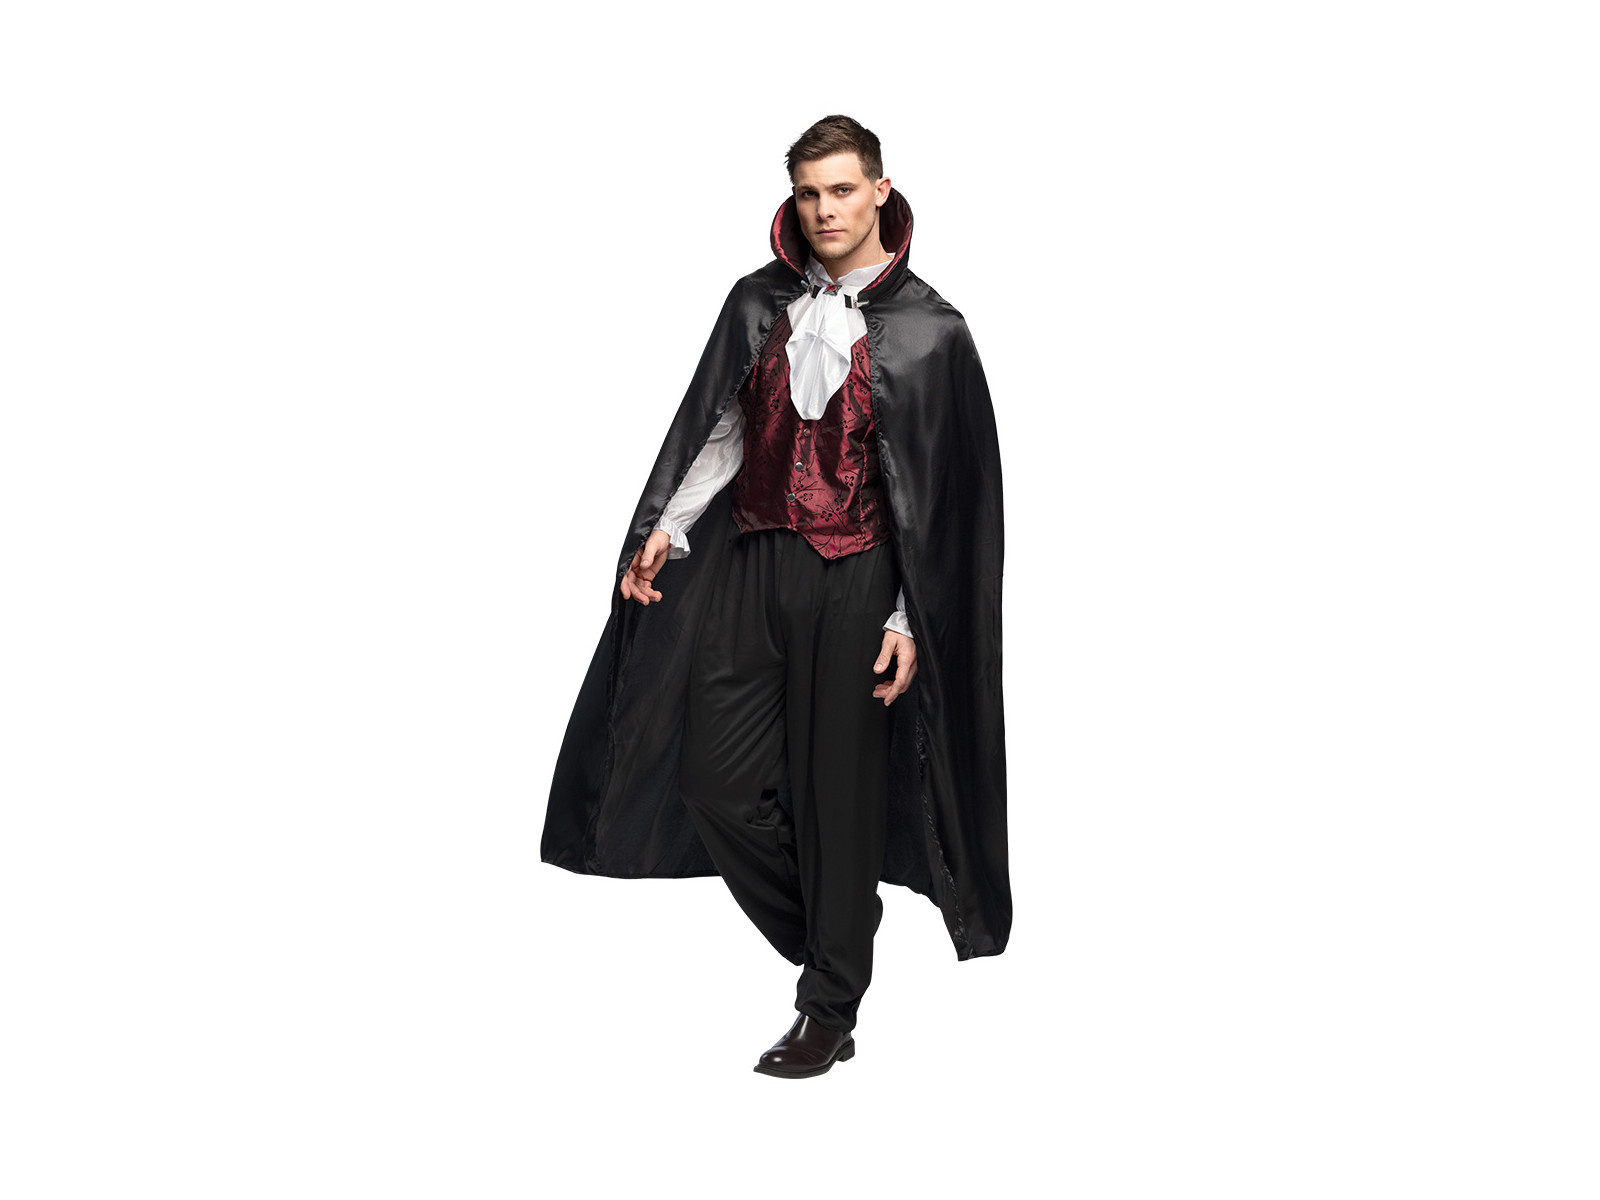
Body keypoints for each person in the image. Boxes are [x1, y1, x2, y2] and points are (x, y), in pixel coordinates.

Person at [542, 115, 1010, 1079]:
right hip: (754, 562)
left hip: (860, 574)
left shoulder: (935, 331)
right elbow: (720, 425)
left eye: (842, 189)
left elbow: (944, 504)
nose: (825, 209)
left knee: (840, 794)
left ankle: (828, 1007)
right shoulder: (757, 301)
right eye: (809, 193)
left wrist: (905, 617)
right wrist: (667, 526)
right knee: (713, 777)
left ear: (879, 190)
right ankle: (837, 928)